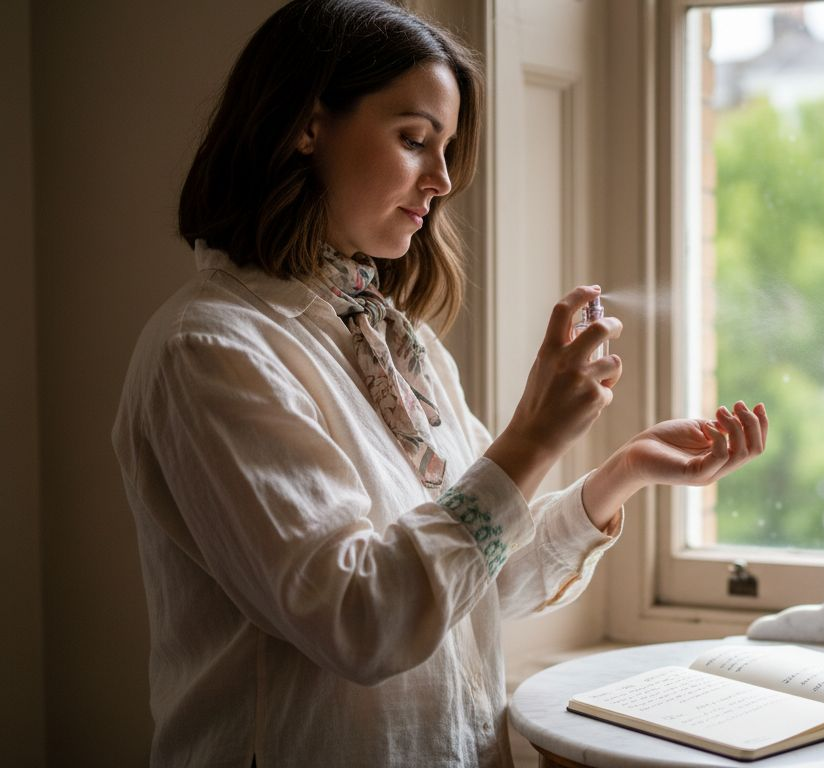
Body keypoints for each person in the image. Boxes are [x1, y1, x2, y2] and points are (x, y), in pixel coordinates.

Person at [110, 1, 768, 766]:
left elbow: (482, 579)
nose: (444, 180)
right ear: (307, 124)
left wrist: (622, 474)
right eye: (415, 139)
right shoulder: (211, 351)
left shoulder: (399, 345)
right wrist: (531, 438)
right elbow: (363, 619)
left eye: (448, 148)